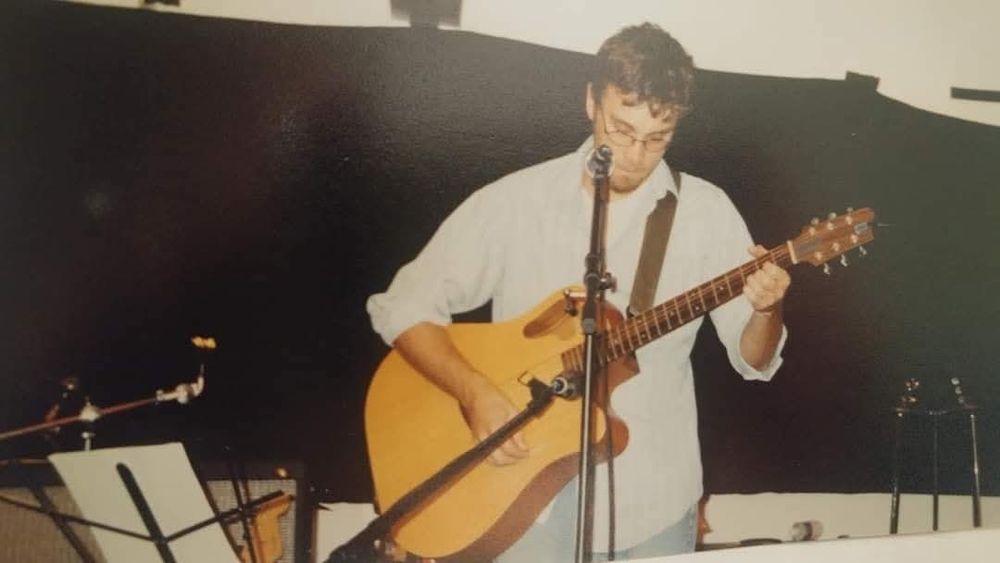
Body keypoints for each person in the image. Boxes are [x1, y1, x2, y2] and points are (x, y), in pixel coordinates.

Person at [367, 22, 790, 561]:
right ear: (592, 102)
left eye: (657, 139)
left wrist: (768, 307)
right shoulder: (515, 202)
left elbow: (754, 359)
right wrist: (476, 393)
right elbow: (403, 306)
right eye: (621, 129)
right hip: (518, 502)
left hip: (653, 503)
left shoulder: (706, 212)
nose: (636, 155)